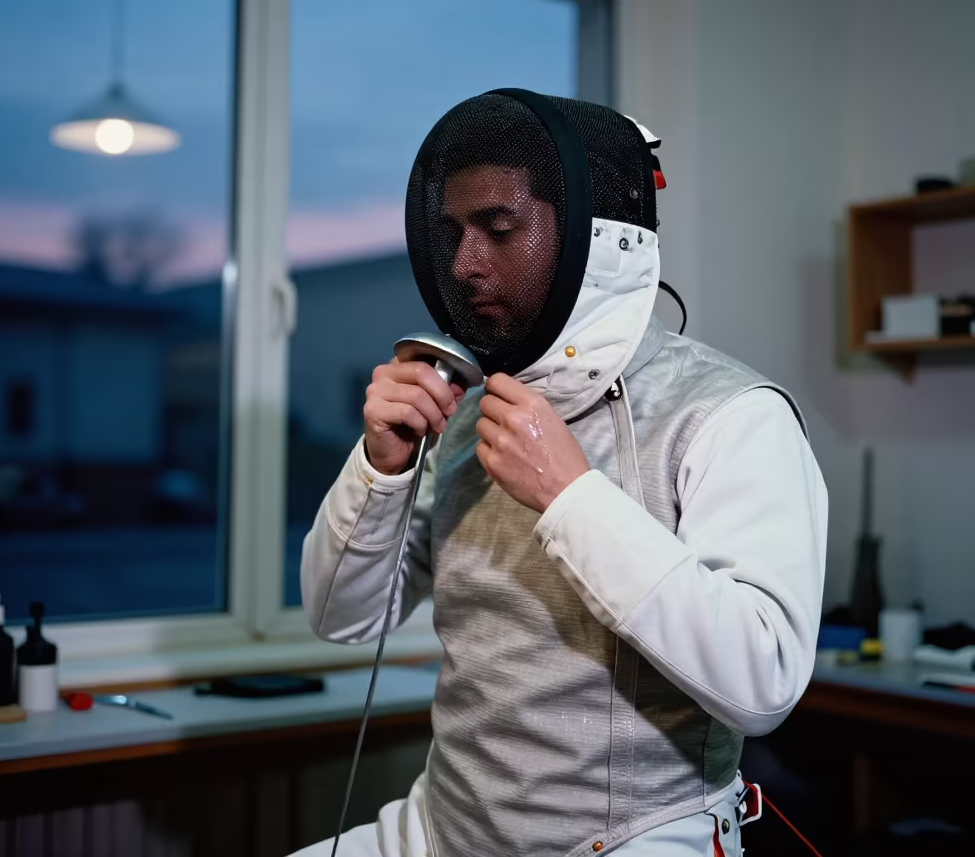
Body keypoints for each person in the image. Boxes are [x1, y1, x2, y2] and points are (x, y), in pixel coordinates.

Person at [295, 91, 827, 857]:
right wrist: (379, 465)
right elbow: (342, 618)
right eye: (451, 233)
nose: (465, 262)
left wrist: (570, 495)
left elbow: (764, 681)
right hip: (440, 830)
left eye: (499, 229)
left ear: (598, 239)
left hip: (635, 839)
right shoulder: (466, 415)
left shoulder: (731, 414)